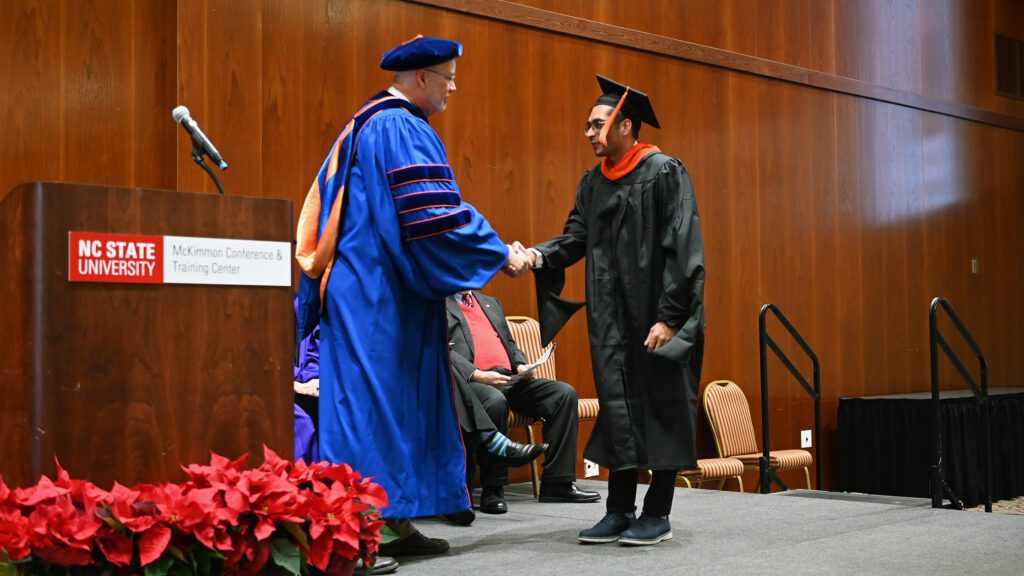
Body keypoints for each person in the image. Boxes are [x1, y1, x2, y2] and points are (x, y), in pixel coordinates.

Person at [294, 35, 530, 559]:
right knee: (370, 413)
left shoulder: (365, 124)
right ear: (420, 78)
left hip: (387, 294)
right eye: (447, 77)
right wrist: (498, 254)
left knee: (397, 410)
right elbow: (432, 216)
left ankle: (394, 523)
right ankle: (353, 539)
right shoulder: (398, 126)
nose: (453, 87)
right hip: (375, 300)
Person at [511, 75, 706, 546]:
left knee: (661, 408)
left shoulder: (664, 172)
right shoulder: (593, 183)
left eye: (598, 124)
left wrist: (669, 317)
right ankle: (619, 509)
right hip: (610, 321)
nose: (591, 133)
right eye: (587, 126)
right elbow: (575, 237)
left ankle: (657, 513)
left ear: (626, 125)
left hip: (656, 318)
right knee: (618, 409)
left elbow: (682, 247)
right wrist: (536, 256)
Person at [447, 290, 601, 514]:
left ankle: (557, 483)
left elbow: (509, 342)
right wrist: (476, 373)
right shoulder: (440, 303)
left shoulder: (491, 302)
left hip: (510, 378)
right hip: (472, 382)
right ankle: (493, 488)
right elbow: (444, 349)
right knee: (495, 401)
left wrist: (521, 365)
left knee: (563, 394)